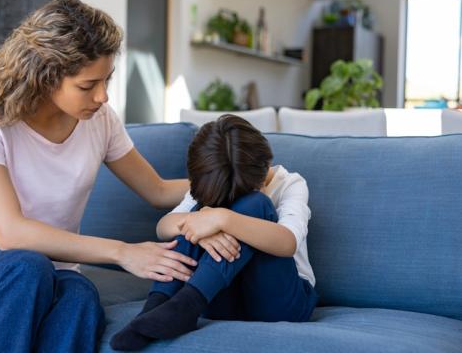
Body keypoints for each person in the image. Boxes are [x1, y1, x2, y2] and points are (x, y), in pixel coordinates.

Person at [0, 0, 198, 353]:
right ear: (44, 75)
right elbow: (10, 233)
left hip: (51, 273)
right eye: (87, 86)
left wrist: (242, 181)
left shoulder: (101, 121)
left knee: (80, 295)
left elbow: (159, 190)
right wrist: (122, 252)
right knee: (28, 269)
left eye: (107, 80)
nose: (102, 96)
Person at [111, 115, 319, 351]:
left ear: (263, 170)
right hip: (221, 297)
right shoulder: (212, 180)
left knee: (256, 205)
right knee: (194, 214)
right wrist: (201, 219)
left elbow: (288, 242)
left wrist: (221, 218)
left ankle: (189, 303)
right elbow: (164, 226)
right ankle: (157, 307)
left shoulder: (290, 183)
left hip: (280, 303)